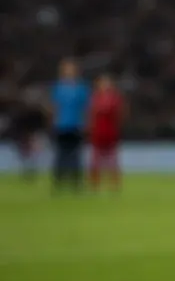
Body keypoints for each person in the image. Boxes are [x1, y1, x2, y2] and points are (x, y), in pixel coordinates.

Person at [49, 59, 91, 190]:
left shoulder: (81, 88)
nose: (69, 72)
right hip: (61, 125)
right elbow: (54, 107)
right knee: (61, 154)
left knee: (76, 154)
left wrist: (86, 124)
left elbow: (86, 108)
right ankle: (59, 182)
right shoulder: (58, 87)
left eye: (71, 69)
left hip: (77, 125)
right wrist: (53, 123)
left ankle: (76, 182)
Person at [87, 75, 126, 190]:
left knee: (112, 159)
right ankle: (95, 183)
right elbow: (90, 115)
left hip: (110, 132)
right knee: (96, 159)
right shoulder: (94, 98)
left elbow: (120, 115)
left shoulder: (115, 99)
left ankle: (114, 183)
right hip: (98, 132)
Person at [9, 92, 47, 180]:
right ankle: (26, 173)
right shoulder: (21, 113)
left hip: (34, 135)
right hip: (24, 137)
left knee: (34, 157)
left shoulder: (38, 113)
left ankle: (32, 172)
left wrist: (33, 135)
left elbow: (41, 126)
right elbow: (18, 126)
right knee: (25, 157)